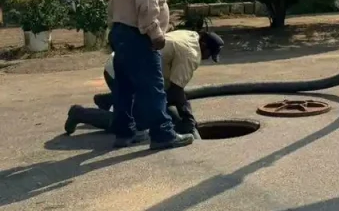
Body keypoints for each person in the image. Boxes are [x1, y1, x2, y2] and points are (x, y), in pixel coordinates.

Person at [107, 0, 193, 150]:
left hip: (120, 31)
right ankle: (163, 134)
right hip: (139, 34)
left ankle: (125, 133)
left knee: (124, 88)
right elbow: (147, 3)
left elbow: (112, 5)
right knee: (153, 87)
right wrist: (155, 33)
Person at [64, 29, 224, 139]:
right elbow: (176, 90)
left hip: (118, 64)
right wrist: (188, 117)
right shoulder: (192, 54)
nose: (207, 59)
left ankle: (110, 99)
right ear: (203, 46)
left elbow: (170, 92)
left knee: (159, 102)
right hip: (122, 73)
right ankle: (79, 113)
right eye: (210, 54)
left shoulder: (191, 35)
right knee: (137, 123)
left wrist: (183, 113)